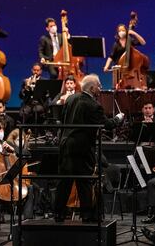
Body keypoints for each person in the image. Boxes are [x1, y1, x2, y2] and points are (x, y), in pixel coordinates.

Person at [54, 74, 124, 222]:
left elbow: (64, 119)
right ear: (92, 88)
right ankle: (87, 216)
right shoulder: (94, 105)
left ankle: (58, 214)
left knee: (64, 182)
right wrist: (118, 118)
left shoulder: (70, 99)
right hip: (82, 148)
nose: (100, 88)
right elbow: (107, 124)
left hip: (65, 145)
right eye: (99, 86)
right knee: (84, 181)